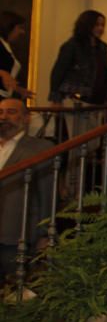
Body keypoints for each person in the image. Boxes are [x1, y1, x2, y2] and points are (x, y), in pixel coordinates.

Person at [0, 97, 52, 281]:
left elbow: (47, 194)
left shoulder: (40, 148)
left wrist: (44, 233)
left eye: (11, 112)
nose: (4, 117)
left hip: (17, 234)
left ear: (26, 118)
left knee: (17, 294)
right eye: (1, 112)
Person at [0, 11, 31, 99]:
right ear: (9, 27)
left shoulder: (5, 45)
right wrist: (3, 73)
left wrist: (17, 89)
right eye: (20, 28)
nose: (22, 32)